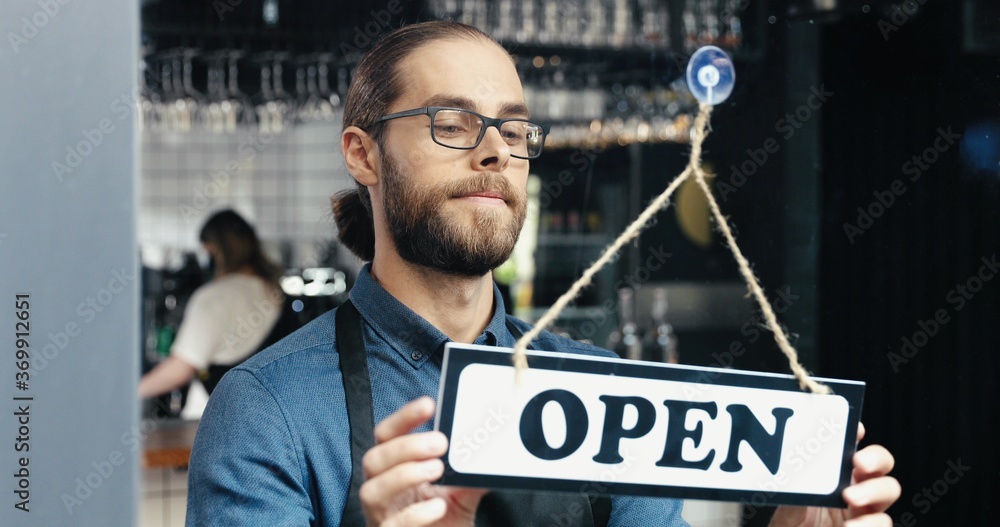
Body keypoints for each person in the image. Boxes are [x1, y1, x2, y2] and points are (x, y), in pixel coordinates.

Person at [187, 21, 900, 526]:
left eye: (515, 129)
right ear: (364, 154)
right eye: (453, 123)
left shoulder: (603, 387)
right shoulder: (265, 409)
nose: (497, 151)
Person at [139, 209, 292, 399]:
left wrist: (131, 393)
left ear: (219, 251)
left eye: (208, 251)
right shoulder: (272, 290)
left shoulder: (213, 297)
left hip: (216, 410)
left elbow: (180, 369)